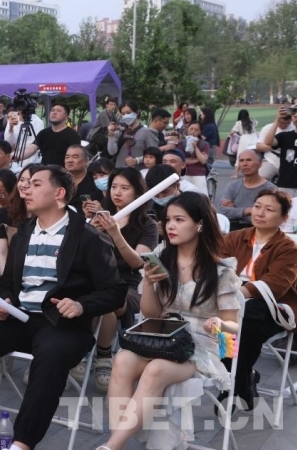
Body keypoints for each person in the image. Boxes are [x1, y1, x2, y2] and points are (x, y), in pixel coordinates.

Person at [0, 165, 126, 450]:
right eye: (26, 183)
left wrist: (81, 304)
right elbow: (7, 284)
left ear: (59, 193)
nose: (26, 189)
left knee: (50, 358)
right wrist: (4, 300)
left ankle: (21, 444)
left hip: (62, 325)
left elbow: (115, 292)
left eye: (36, 184)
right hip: (19, 318)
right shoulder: (24, 234)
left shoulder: (88, 237)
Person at [102, 193, 240, 450]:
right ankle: (116, 443)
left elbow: (234, 326)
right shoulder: (161, 257)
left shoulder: (220, 271)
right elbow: (151, 314)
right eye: (167, 220)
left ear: (200, 224)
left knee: (156, 369)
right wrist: (148, 283)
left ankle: (111, 446)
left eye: (179, 219)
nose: (171, 226)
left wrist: (218, 324)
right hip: (163, 336)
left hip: (200, 345)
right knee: (122, 360)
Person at [75, 167, 158, 393]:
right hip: (94, 280)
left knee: (107, 302)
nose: (117, 192)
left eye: (125, 188)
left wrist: (115, 233)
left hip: (126, 284)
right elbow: (78, 255)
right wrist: (88, 229)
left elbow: (137, 262)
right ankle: (78, 349)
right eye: (114, 187)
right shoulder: (99, 219)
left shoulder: (147, 224)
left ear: (137, 192)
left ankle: (102, 356)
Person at [221, 189, 297, 411]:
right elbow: (216, 265)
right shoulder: (235, 237)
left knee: (248, 318)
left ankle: (231, 385)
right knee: (223, 323)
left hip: (273, 307)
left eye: (269, 209)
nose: (260, 213)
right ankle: (242, 379)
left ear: (283, 218)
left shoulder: (288, 248)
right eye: (257, 206)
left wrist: (238, 294)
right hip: (230, 302)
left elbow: (276, 284)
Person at [219, 150, 276, 230]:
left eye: (249, 160)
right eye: (241, 161)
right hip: (234, 229)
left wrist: (235, 209)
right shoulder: (233, 186)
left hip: (258, 229)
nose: (245, 164)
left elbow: (267, 216)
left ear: (260, 164)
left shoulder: (270, 189)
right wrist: (248, 210)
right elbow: (223, 211)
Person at [21, 103, 81, 167]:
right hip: (45, 170)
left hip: (63, 171)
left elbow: (76, 155)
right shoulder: (43, 133)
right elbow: (31, 149)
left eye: (58, 111)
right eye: (52, 110)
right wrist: (15, 157)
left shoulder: (72, 135)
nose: (54, 113)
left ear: (66, 116)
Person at [106, 100, 161, 168]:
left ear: (137, 112)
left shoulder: (147, 132)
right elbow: (112, 152)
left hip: (139, 171)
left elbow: (155, 154)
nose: (126, 116)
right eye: (123, 114)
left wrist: (137, 160)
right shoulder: (119, 131)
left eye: (128, 112)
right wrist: (111, 135)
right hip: (120, 170)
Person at [263, 104, 297, 197]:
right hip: (284, 185)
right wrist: (277, 120)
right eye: (294, 112)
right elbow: (268, 141)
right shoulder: (284, 136)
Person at [256, 107, 293, 181]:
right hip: (271, 160)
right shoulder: (268, 128)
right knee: (260, 178)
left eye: (286, 123)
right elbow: (259, 147)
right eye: (281, 123)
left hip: (290, 161)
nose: (283, 125)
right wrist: (276, 146)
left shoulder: (295, 128)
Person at [64, 144, 96, 213]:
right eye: (67, 157)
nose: (70, 160)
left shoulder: (94, 180)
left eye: (75, 157)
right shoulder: (59, 180)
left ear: (86, 161)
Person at [183, 122, 211, 191]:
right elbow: (182, 160)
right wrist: (198, 159)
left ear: (200, 132)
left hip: (199, 173)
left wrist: (195, 147)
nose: (193, 132)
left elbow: (203, 161)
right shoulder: (181, 143)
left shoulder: (204, 144)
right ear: (187, 129)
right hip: (184, 173)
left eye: (196, 130)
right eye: (191, 129)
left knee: (201, 194)